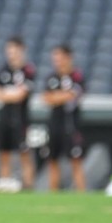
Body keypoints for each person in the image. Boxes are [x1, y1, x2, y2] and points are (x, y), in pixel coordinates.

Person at [0, 36, 36, 191]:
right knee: (4, 152)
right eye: (9, 50)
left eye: (14, 50)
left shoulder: (27, 70)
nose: (11, 54)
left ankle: (28, 184)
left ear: (21, 50)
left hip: (20, 118)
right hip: (4, 117)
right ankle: (4, 181)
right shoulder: (4, 70)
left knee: (24, 152)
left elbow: (21, 95)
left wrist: (6, 94)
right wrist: (10, 94)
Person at [42, 44, 86, 192]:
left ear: (68, 58)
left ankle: (81, 192)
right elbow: (46, 98)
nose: (57, 61)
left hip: (71, 125)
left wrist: (57, 96)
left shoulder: (77, 76)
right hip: (54, 124)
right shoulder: (52, 78)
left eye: (59, 58)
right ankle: (53, 192)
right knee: (52, 160)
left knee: (75, 160)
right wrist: (62, 95)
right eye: (55, 58)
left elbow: (74, 95)